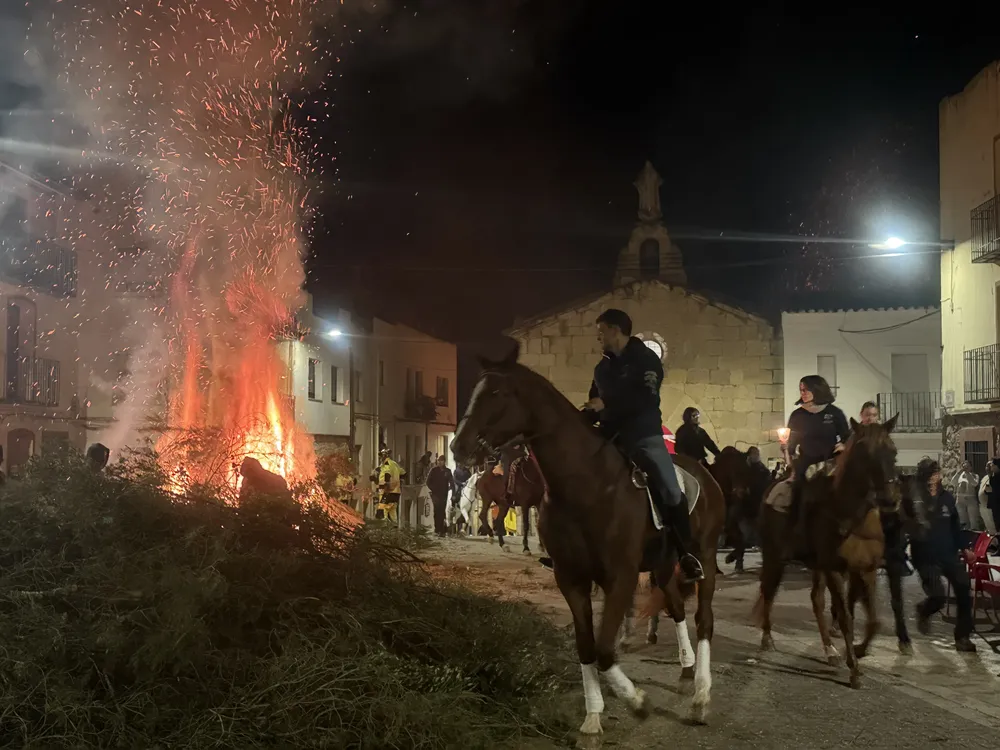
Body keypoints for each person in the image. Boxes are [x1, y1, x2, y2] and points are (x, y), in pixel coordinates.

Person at [583, 308, 703, 583]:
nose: (598, 337)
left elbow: (646, 399)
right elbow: (595, 398)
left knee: (671, 489)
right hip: (610, 435)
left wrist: (607, 403)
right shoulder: (601, 367)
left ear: (615, 330)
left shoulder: (646, 360)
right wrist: (587, 413)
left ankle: (686, 553)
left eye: (601, 331)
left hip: (643, 435)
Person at [909, 458, 977, 653]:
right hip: (925, 556)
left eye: (937, 472)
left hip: (948, 553)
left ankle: (963, 637)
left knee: (964, 588)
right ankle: (924, 610)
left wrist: (965, 548)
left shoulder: (946, 497)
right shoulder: (916, 498)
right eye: (933, 473)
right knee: (938, 596)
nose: (937, 475)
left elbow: (955, 525)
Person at [783, 375, 851, 547]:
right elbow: (791, 444)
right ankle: (796, 529)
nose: (803, 393)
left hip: (831, 462)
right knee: (796, 491)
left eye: (806, 389)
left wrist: (843, 445)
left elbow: (847, 436)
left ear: (817, 389)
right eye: (801, 390)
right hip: (806, 462)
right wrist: (787, 453)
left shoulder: (834, 413)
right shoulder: (798, 414)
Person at [425, 455, 456, 537]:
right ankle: (437, 529)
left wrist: (452, 491)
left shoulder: (448, 471)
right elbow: (427, 482)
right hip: (435, 494)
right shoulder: (433, 470)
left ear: (444, 461)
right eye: (438, 461)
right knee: (436, 510)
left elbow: (452, 482)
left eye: (441, 461)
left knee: (442, 511)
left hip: (444, 494)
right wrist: (432, 489)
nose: (439, 462)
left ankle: (441, 530)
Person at [950, 461, 982, 531]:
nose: (965, 468)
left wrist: (968, 474)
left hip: (970, 499)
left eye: (967, 466)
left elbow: (974, 483)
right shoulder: (959, 475)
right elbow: (953, 482)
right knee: (963, 520)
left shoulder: (974, 475)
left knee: (973, 519)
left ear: (971, 467)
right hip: (960, 499)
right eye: (964, 466)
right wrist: (959, 472)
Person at [374, 449, 405, 522]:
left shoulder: (386, 464)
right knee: (393, 511)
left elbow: (387, 475)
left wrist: (385, 486)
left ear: (383, 456)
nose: (380, 458)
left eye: (380, 457)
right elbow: (403, 473)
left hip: (386, 491)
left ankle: (385, 530)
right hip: (396, 492)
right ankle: (395, 529)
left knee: (383, 511)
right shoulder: (394, 464)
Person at [980, 462, 998, 535]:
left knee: (993, 526)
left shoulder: (995, 478)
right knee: (988, 526)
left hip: (991, 506)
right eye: (986, 466)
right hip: (983, 505)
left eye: (989, 466)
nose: (987, 468)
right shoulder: (985, 477)